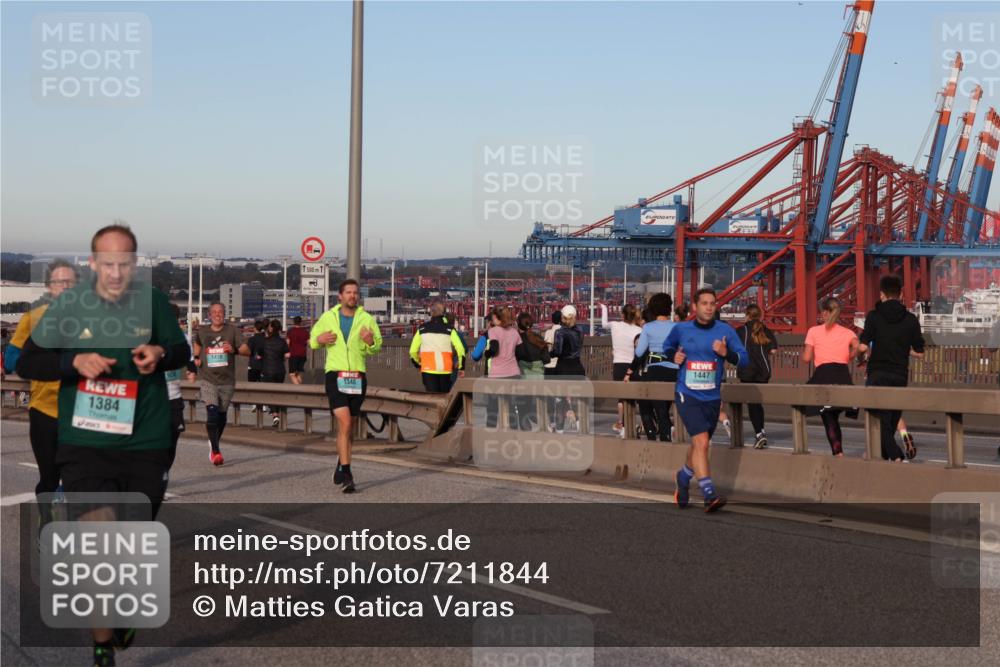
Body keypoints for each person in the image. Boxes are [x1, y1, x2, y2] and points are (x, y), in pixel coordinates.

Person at [16, 223, 190, 666]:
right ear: (92, 264)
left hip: (145, 440)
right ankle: (101, 643)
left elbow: (181, 349)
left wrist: (160, 355)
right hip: (85, 443)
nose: (115, 272)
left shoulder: (151, 303)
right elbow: (27, 361)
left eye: (124, 263)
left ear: (135, 264)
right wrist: (72, 361)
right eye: (107, 263)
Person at [4, 259, 79, 523]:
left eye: (70, 282)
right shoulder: (33, 318)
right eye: (60, 282)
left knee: (80, 476)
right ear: (50, 287)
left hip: (80, 412)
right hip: (44, 410)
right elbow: (12, 359)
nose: (65, 287)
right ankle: (47, 524)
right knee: (49, 477)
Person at [663, 288, 748, 512]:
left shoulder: (725, 331)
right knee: (702, 442)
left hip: (712, 397)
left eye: (712, 303)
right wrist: (673, 355)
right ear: (695, 307)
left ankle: (683, 477)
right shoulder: (681, 329)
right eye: (704, 303)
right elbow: (666, 348)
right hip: (687, 393)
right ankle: (709, 493)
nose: (709, 307)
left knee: (698, 445)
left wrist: (725, 353)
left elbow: (744, 359)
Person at [309, 279, 383, 493]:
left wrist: (370, 341)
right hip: (335, 375)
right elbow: (313, 340)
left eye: (355, 293)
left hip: (357, 376)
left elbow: (376, 346)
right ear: (340, 296)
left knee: (347, 428)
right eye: (348, 292)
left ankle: (342, 461)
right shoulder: (328, 317)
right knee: (346, 422)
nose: (352, 296)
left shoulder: (366, 319)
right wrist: (320, 339)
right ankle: (348, 474)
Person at [857, 274, 925, 461]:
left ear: (882, 294)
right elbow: (920, 351)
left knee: (878, 421)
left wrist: (857, 355)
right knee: (891, 420)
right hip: (899, 375)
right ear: (901, 294)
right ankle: (888, 458)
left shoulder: (873, 316)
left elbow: (863, 346)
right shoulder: (911, 319)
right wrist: (904, 349)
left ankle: (897, 457)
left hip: (877, 374)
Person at [192, 302, 250, 466]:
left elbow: (247, 350)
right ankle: (216, 451)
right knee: (212, 412)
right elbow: (197, 343)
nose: (217, 315)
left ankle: (213, 441)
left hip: (227, 380)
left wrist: (234, 350)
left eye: (221, 312)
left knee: (222, 416)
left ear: (224, 314)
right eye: (214, 312)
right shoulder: (203, 331)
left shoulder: (232, 330)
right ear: (209, 315)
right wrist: (196, 358)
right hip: (208, 378)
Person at [803, 297, 859, 457]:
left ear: (826, 313)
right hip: (842, 376)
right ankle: (838, 451)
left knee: (827, 417)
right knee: (833, 416)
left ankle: (838, 452)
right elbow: (858, 346)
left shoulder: (813, 331)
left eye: (822, 312)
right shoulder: (847, 332)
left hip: (824, 375)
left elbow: (807, 358)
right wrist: (850, 356)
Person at [630, 293, 677, 442]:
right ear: (669, 308)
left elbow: (639, 352)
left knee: (660, 409)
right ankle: (668, 434)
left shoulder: (649, 327)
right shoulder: (676, 327)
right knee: (667, 408)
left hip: (655, 369)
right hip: (674, 371)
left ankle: (664, 440)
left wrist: (630, 369)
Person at [734, 304, 778, 449]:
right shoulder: (765, 330)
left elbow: (733, 348)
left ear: (747, 315)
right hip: (763, 371)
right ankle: (761, 431)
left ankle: (759, 433)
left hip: (747, 370)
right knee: (757, 403)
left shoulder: (741, 331)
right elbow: (773, 351)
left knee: (752, 403)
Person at [602, 303, 642, 437]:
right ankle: (630, 423)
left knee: (621, 398)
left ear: (622, 315)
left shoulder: (615, 325)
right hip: (632, 366)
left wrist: (604, 308)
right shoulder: (638, 330)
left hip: (618, 364)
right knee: (631, 398)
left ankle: (622, 424)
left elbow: (603, 324)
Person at [409, 302, 466, 393]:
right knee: (444, 398)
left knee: (431, 398)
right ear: (443, 313)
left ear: (431, 313)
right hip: (445, 369)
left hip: (428, 369)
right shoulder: (450, 329)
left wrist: (418, 364)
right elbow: (460, 348)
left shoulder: (422, 329)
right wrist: (462, 367)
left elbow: (412, 351)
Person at [484, 306, 522, 428]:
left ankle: (490, 432)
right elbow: (520, 351)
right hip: (513, 373)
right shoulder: (514, 332)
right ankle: (514, 432)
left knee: (492, 407)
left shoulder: (493, 331)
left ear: (497, 318)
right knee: (511, 406)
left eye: (493, 317)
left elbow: (494, 348)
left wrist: (487, 353)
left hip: (497, 374)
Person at [550, 305, 586, 433]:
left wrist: (549, 353)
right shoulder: (580, 331)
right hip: (577, 367)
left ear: (562, 317)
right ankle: (579, 425)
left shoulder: (559, 332)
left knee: (560, 399)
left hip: (563, 368)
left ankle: (559, 428)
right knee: (575, 398)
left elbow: (558, 351)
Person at [515, 312, 550, 429]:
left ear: (518, 325)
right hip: (538, 379)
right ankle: (541, 423)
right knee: (536, 403)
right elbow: (546, 359)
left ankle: (525, 427)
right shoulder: (538, 338)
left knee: (522, 405)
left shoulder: (517, 340)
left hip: (523, 377)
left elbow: (515, 357)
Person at [259, 318, 290, 426]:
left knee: (269, 393)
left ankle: (275, 414)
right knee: (278, 391)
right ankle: (277, 411)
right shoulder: (282, 342)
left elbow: (259, 355)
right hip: (280, 370)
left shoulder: (265, 342)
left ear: (271, 328)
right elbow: (287, 355)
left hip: (267, 370)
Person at [246, 320, 266, 413]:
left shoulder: (252, 339)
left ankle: (254, 404)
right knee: (263, 385)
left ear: (255, 328)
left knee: (252, 385)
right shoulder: (266, 339)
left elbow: (248, 351)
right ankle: (265, 405)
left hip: (253, 364)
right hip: (264, 365)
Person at [286, 315, 310, 385]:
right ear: (301, 322)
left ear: (294, 322)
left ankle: (299, 389)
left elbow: (288, 343)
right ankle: (300, 388)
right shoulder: (305, 332)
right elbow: (309, 342)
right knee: (298, 373)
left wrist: (287, 352)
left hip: (293, 354)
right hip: (302, 354)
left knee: (292, 374)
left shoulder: (290, 331)